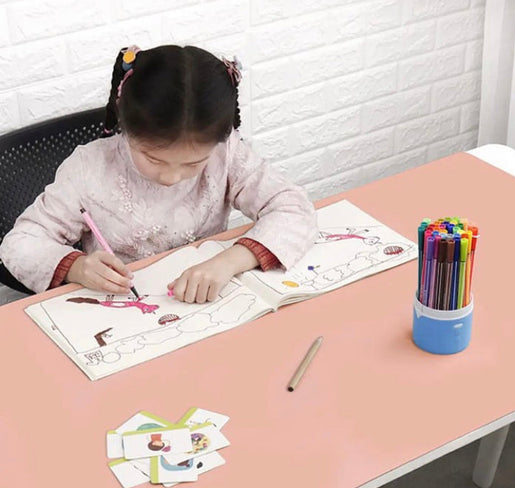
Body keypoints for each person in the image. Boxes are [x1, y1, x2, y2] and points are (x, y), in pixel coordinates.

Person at [0, 44, 317, 303]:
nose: (171, 177)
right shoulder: (88, 168)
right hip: (122, 309)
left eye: (193, 164)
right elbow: (20, 244)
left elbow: (293, 207)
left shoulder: (226, 153)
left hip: (206, 302)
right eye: (153, 159)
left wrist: (229, 262)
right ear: (126, 128)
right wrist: (78, 267)